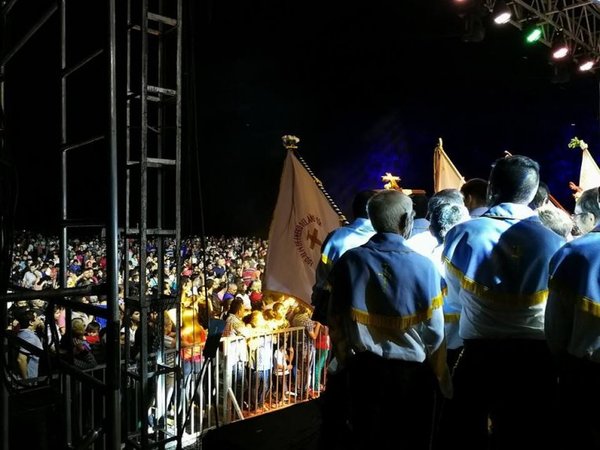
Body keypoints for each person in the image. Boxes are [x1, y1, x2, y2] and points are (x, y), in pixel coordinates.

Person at [440, 155, 565, 449]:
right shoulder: (554, 241)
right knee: (529, 436)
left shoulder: (462, 233)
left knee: (467, 435)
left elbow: (454, 300)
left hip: (481, 355)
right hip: (536, 357)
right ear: (534, 193)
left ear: (492, 189)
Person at [327, 189, 446, 450]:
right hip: (410, 374)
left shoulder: (350, 260)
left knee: (366, 438)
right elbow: (435, 331)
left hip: (364, 370)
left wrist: (343, 361)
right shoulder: (424, 266)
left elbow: (335, 319)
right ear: (406, 221)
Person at [545, 186, 600, 448]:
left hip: (586, 373)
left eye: (577, 215)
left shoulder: (574, 253)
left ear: (591, 218)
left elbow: (556, 325)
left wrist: (560, 363)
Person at [311, 189, 377, 324]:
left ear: (354, 210)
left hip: (341, 316)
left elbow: (323, 276)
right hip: (377, 315)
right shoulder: (384, 238)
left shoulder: (336, 238)